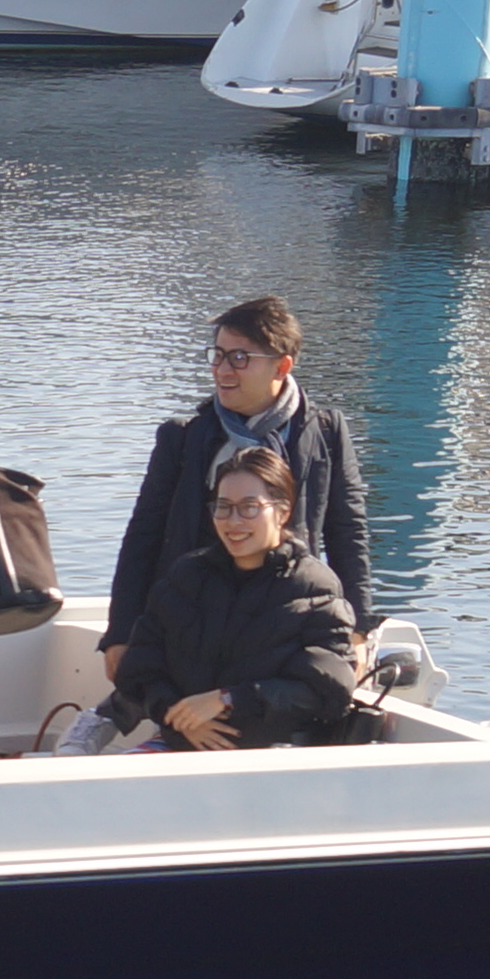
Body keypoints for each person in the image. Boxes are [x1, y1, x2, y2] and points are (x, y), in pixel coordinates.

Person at [102, 294, 369, 692]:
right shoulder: (185, 438)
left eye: (239, 358)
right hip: (193, 626)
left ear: (282, 366)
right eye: (218, 355)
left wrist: (358, 629)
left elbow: (348, 533)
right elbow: (144, 535)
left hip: (285, 624)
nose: (222, 370)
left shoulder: (325, 433)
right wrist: (121, 632)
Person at [106, 443, 361, 752]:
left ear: (282, 512)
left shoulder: (313, 588)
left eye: (249, 507)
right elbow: (140, 668)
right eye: (223, 507)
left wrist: (228, 698)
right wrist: (178, 714)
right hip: (180, 744)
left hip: (271, 754)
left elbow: (328, 690)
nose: (233, 521)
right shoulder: (187, 577)